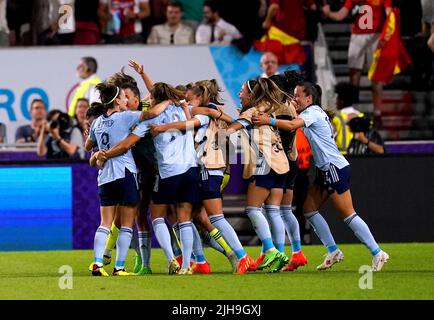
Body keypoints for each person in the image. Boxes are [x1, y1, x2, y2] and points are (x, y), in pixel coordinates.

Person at [252, 82, 389, 272]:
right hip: (325, 169)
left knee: (348, 214)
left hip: (334, 167)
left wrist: (269, 120)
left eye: (298, 95)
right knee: (309, 209)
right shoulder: (312, 112)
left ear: (309, 98)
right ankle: (333, 251)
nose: (294, 99)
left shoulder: (313, 113)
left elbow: (291, 125)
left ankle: (377, 252)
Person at [150, 80, 255, 274]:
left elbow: (186, 122)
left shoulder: (206, 113)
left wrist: (162, 127)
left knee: (213, 218)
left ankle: (240, 256)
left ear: (199, 98)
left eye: (189, 98)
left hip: (209, 168)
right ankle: (201, 260)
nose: (186, 102)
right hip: (207, 168)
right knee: (193, 218)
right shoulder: (210, 111)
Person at [193, 78, 290, 272]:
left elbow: (228, 132)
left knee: (253, 209)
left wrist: (219, 127)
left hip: (264, 163)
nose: (239, 94)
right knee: (273, 211)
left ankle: (270, 251)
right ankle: (276, 252)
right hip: (281, 162)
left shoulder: (251, 112)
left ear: (252, 95)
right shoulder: (267, 108)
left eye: (242, 91)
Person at [85, 83, 144, 276]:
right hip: (124, 172)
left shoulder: (97, 122)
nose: (127, 100)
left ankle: (97, 263)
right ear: (117, 101)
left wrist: (97, 153)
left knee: (105, 223)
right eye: (124, 97)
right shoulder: (125, 116)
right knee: (127, 224)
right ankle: (119, 267)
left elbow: (88, 145)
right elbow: (150, 114)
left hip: (105, 176)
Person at [322, 1, 393, 110]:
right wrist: (329, 13)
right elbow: (341, 15)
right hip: (358, 37)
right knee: (355, 76)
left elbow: (389, 14)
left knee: (376, 77)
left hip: (375, 37)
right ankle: (353, 109)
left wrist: (391, 22)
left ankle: (377, 112)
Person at [332, 82, 361, 154]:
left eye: (337, 99)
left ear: (342, 101)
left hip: (340, 156)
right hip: (359, 155)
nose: (336, 102)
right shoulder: (361, 116)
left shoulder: (336, 117)